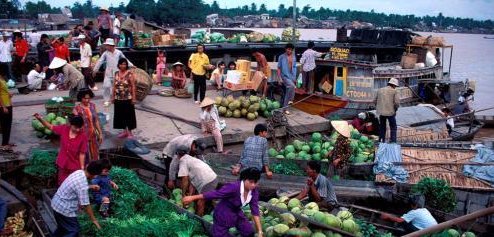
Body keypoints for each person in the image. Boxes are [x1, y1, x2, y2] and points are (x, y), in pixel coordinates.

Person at [182, 168, 264, 237]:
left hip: (236, 212)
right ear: (244, 179)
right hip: (222, 213)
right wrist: (193, 197)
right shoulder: (234, 187)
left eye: (255, 182)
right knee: (220, 234)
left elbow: (255, 212)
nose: (253, 185)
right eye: (251, 182)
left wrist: (260, 231)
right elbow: (215, 194)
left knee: (249, 231)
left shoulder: (254, 192)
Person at [51, 160, 103, 236]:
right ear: (95, 175)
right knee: (73, 231)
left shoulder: (79, 172)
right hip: (64, 209)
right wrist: (94, 220)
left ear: (87, 166)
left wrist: (90, 187)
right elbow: (86, 204)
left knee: (62, 228)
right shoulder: (82, 183)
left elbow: (77, 187)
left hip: (56, 204)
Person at [34, 114, 88, 185]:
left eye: (79, 127)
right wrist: (40, 119)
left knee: (74, 185)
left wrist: (82, 168)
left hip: (74, 166)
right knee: (62, 184)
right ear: (71, 125)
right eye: (75, 127)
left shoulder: (83, 136)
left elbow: (82, 153)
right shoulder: (64, 129)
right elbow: (50, 127)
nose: (78, 130)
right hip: (62, 163)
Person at [176, 145, 218, 216]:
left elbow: (185, 179)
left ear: (178, 154)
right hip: (212, 178)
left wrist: (183, 196)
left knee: (200, 202)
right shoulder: (191, 159)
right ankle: (199, 213)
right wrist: (190, 195)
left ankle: (198, 220)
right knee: (197, 199)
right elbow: (193, 183)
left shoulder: (183, 160)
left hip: (208, 181)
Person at [93, 38, 133, 106]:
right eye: (106, 45)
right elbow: (100, 61)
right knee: (106, 86)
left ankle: (117, 99)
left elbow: (124, 59)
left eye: (107, 45)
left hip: (117, 72)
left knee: (118, 86)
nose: (106, 47)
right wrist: (95, 70)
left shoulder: (118, 52)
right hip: (108, 72)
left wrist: (131, 65)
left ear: (111, 45)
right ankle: (106, 100)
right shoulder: (105, 53)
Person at [73, 89, 103, 162]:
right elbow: (76, 126)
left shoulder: (93, 106)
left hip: (93, 135)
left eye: (88, 98)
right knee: (85, 155)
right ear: (80, 98)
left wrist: (100, 133)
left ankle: (95, 170)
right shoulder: (77, 109)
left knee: (94, 154)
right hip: (83, 136)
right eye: (85, 98)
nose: (87, 100)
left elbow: (96, 120)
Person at [112, 58, 137, 138]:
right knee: (120, 115)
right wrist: (113, 97)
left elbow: (133, 86)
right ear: (118, 65)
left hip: (127, 98)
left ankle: (130, 132)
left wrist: (133, 98)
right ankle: (124, 131)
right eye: (121, 64)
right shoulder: (116, 73)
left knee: (128, 115)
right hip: (118, 98)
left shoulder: (129, 74)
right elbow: (114, 86)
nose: (123, 65)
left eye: (125, 64)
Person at [375, 78, 400, 143]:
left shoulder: (380, 90)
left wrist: (379, 108)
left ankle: (381, 140)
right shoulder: (394, 91)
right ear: (394, 85)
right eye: (395, 86)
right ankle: (393, 141)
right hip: (390, 113)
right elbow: (397, 103)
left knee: (382, 127)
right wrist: (395, 109)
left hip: (381, 112)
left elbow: (375, 101)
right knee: (393, 127)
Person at [277, 43, 297, 115]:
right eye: (288, 49)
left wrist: (295, 78)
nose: (289, 51)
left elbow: (294, 68)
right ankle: (290, 100)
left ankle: (285, 108)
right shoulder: (281, 57)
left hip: (291, 76)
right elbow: (279, 68)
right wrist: (279, 78)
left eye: (291, 50)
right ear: (286, 49)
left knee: (290, 90)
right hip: (284, 76)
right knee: (291, 86)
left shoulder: (294, 57)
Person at [0, 73, 14, 153]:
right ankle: (4, 145)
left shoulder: (2, 79)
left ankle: (6, 142)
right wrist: (3, 106)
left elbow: (5, 91)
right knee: (5, 125)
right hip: (3, 106)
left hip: (8, 104)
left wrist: (9, 96)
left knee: (8, 125)